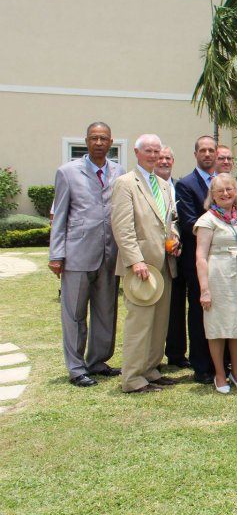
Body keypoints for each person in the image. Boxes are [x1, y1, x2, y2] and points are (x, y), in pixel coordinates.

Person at [50, 122, 126, 387]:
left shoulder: (119, 172)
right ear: (86, 141)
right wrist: (56, 255)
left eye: (103, 138)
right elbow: (59, 215)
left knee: (106, 311)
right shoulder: (68, 172)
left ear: (111, 142)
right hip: (77, 254)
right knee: (74, 314)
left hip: (110, 254)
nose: (99, 143)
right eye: (94, 138)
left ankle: (98, 361)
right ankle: (76, 368)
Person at [112, 133, 179, 393]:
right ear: (137, 153)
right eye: (148, 151)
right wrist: (135, 260)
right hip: (141, 266)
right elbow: (122, 227)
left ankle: (150, 369)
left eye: (156, 151)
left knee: (159, 323)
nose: (153, 156)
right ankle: (132, 378)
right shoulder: (126, 183)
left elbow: (170, 220)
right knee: (140, 324)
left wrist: (175, 238)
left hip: (164, 264)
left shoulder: (163, 184)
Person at [194, 174, 237, 393]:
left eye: (229, 189)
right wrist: (204, 290)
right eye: (220, 190)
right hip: (218, 277)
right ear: (212, 195)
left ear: (235, 191)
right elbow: (201, 257)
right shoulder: (207, 220)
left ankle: (236, 372)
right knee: (218, 327)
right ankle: (220, 374)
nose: (225, 194)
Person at [175, 135, 218, 384]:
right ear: (195, 155)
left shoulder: (223, 182)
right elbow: (189, 221)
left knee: (219, 311)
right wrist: (221, 231)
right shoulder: (186, 185)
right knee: (200, 312)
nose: (207, 154)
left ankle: (220, 362)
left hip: (222, 260)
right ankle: (201, 365)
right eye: (203, 150)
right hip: (197, 259)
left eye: (211, 150)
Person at [158, 145, 189, 369]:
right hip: (153, 256)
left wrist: (178, 241)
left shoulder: (180, 187)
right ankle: (152, 356)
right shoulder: (145, 187)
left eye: (168, 158)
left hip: (178, 254)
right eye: (160, 158)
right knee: (156, 308)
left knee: (177, 306)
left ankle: (177, 354)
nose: (164, 161)